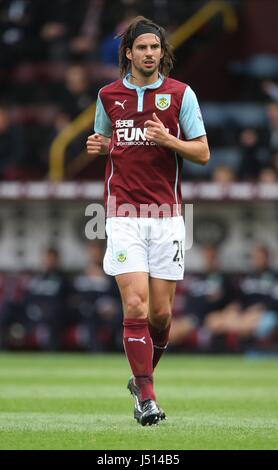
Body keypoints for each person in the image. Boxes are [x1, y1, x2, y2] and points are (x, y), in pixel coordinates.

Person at [86, 16, 209, 426]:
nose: (150, 53)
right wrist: (100, 145)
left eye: (155, 47)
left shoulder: (180, 95)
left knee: (160, 316)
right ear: (129, 53)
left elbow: (203, 152)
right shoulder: (107, 96)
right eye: (142, 48)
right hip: (123, 215)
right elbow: (107, 141)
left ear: (162, 52)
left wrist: (169, 141)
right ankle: (147, 397)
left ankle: (140, 379)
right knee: (135, 303)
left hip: (167, 216)